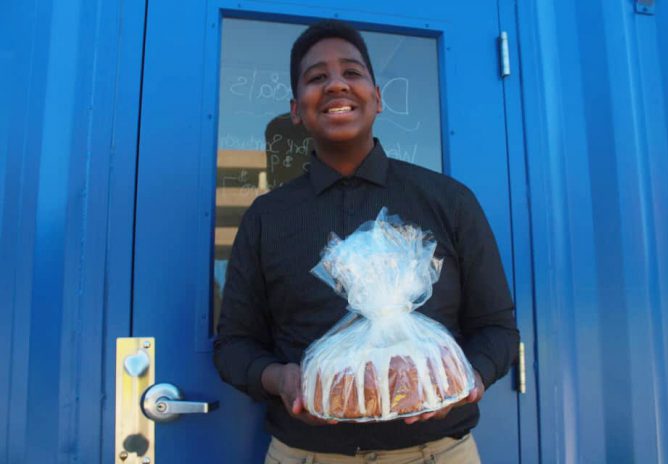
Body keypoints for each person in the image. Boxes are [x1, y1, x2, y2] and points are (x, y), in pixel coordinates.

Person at [214, 19, 519, 463]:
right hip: (305, 455)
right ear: (297, 108)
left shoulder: (448, 201)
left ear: (377, 98)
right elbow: (234, 346)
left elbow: (497, 330)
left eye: (352, 73)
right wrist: (279, 379)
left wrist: (468, 378)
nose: (336, 84)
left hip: (439, 453)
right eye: (317, 77)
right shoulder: (267, 217)